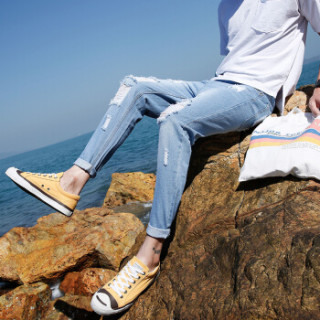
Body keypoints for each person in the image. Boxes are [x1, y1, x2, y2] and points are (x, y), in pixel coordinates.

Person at [5, 0, 320, 316]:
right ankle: (71, 181)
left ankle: (150, 255)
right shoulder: (227, 6)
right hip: (218, 85)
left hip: (255, 92)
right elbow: (235, 57)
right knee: (135, 87)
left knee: (175, 119)